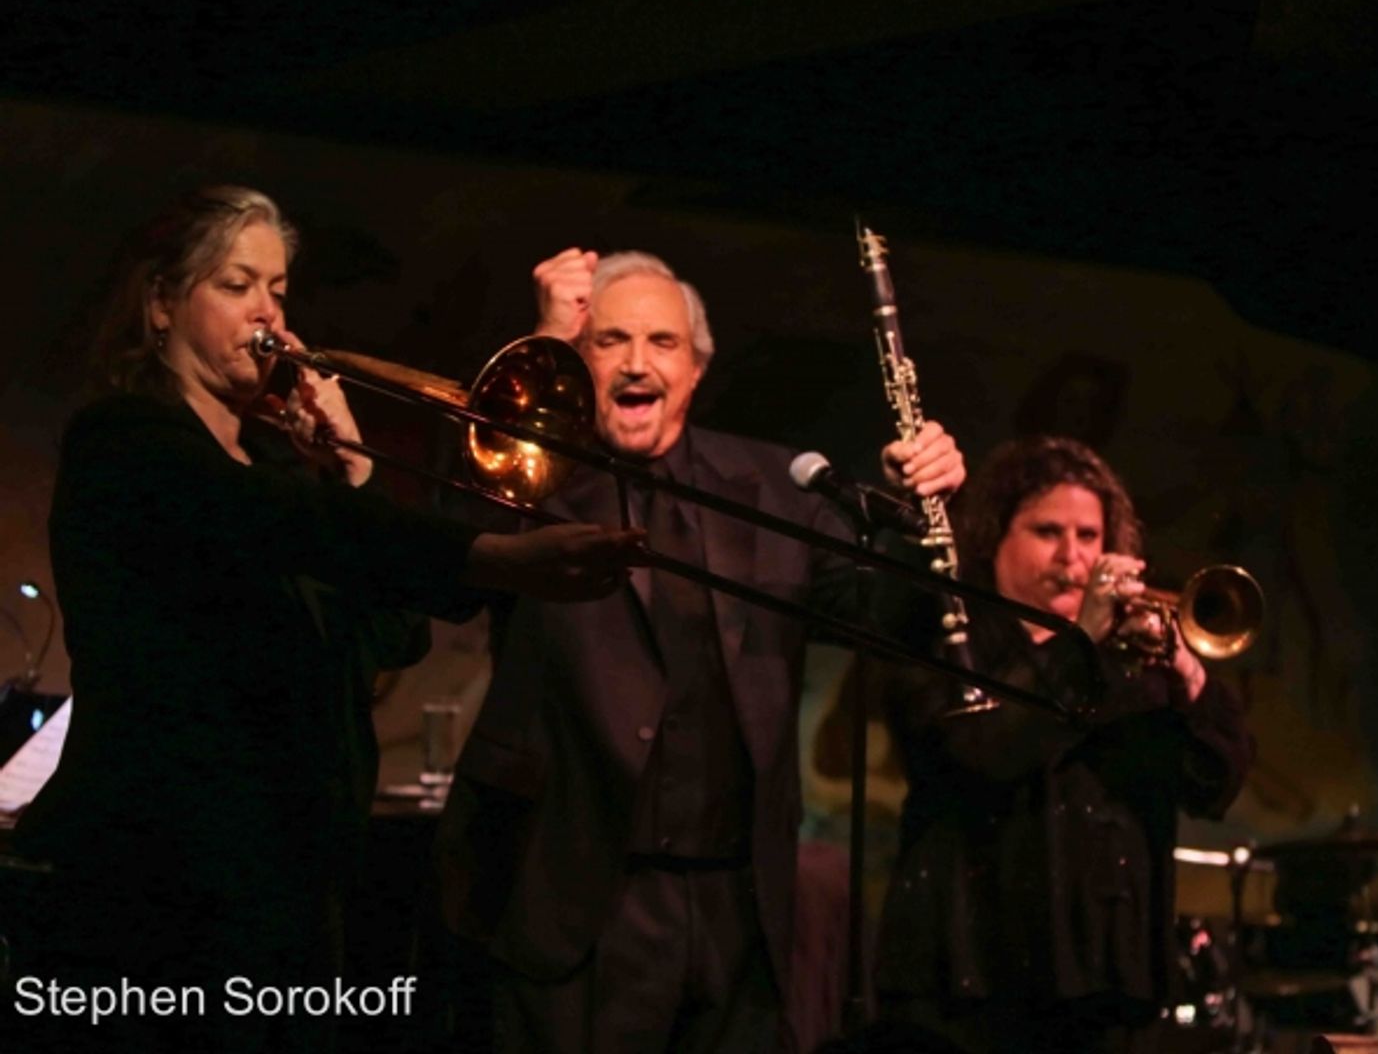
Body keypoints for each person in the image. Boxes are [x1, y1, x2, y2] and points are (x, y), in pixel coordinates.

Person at [7, 188, 638, 1054]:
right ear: (162, 303)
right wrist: (485, 557)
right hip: (158, 890)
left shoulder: (278, 468)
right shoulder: (128, 443)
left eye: (279, 288)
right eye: (237, 284)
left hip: (290, 890)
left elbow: (391, 638)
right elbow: (271, 523)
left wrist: (351, 469)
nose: (270, 312)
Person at [431, 247, 965, 1053]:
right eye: (610, 341)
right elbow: (455, 548)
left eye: (662, 343)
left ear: (697, 368)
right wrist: (543, 345)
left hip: (738, 911)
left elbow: (886, 621)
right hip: (577, 902)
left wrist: (918, 518)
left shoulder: (776, 487)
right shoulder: (539, 476)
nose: (638, 363)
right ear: (580, 361)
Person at [875, 435, 1253, 1054]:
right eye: (1047, 531)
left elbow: (1217, 785)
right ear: (996, 537)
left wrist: (1190, 677)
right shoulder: (951, 629)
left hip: (1112, 985)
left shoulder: (1135, 660)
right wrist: (1082, 641)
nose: (1073, 558)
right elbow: (979, 753)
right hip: (971, 986)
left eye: (1089, 536)